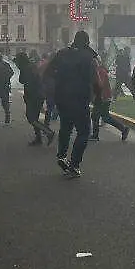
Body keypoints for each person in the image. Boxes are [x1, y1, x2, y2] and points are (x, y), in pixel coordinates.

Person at [48, 31, 99, 179]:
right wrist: (97, 96)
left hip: (62, 97)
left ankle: (62, 155)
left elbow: (50, 71)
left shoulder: (62, 53)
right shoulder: (88, 57)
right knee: (83, 132)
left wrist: (56, 86)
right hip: (80, 98)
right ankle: (74, 164)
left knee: (66, 127)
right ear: (87, 42)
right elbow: (95, 80)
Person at [14, 51, 55, 145]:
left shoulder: (27, 69)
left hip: (34, 96)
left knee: (31, 118)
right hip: (38, 94)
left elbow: (26, 82)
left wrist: (28, 97)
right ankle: (38, 138)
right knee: (34, 118)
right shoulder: (30, 66)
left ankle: (49, 132)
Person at [90, 56, 130, 142]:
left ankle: (95, 135)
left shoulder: (100, 71)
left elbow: (100, 85)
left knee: (95, 116)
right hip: (103, 97)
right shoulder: (100, 70)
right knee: (105, 117)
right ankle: (123, 129)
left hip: (103, 97)